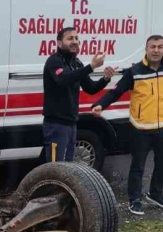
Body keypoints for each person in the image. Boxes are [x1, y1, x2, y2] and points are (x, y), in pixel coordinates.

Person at [92, 35, 163, 216]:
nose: (156, 50)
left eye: (160, 47)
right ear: (146, 49)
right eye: (152, 47)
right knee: (138, 167)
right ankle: (134, 200)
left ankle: (156, 194)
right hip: (141, 127)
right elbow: (117, 91)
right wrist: (101, 104)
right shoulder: (135, 71)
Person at [42, 27, 118, 162]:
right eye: (70, 38)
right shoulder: (54, 61)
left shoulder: (77, 63)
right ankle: (54, 185)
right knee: (56, 168)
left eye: (76, 38)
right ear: (59, 43)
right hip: (56, 125)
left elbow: (91, 88)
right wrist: (91, 67)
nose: (75, 41)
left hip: (72, 124)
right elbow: (63, 79)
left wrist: (105, 78)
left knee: (69, 167)